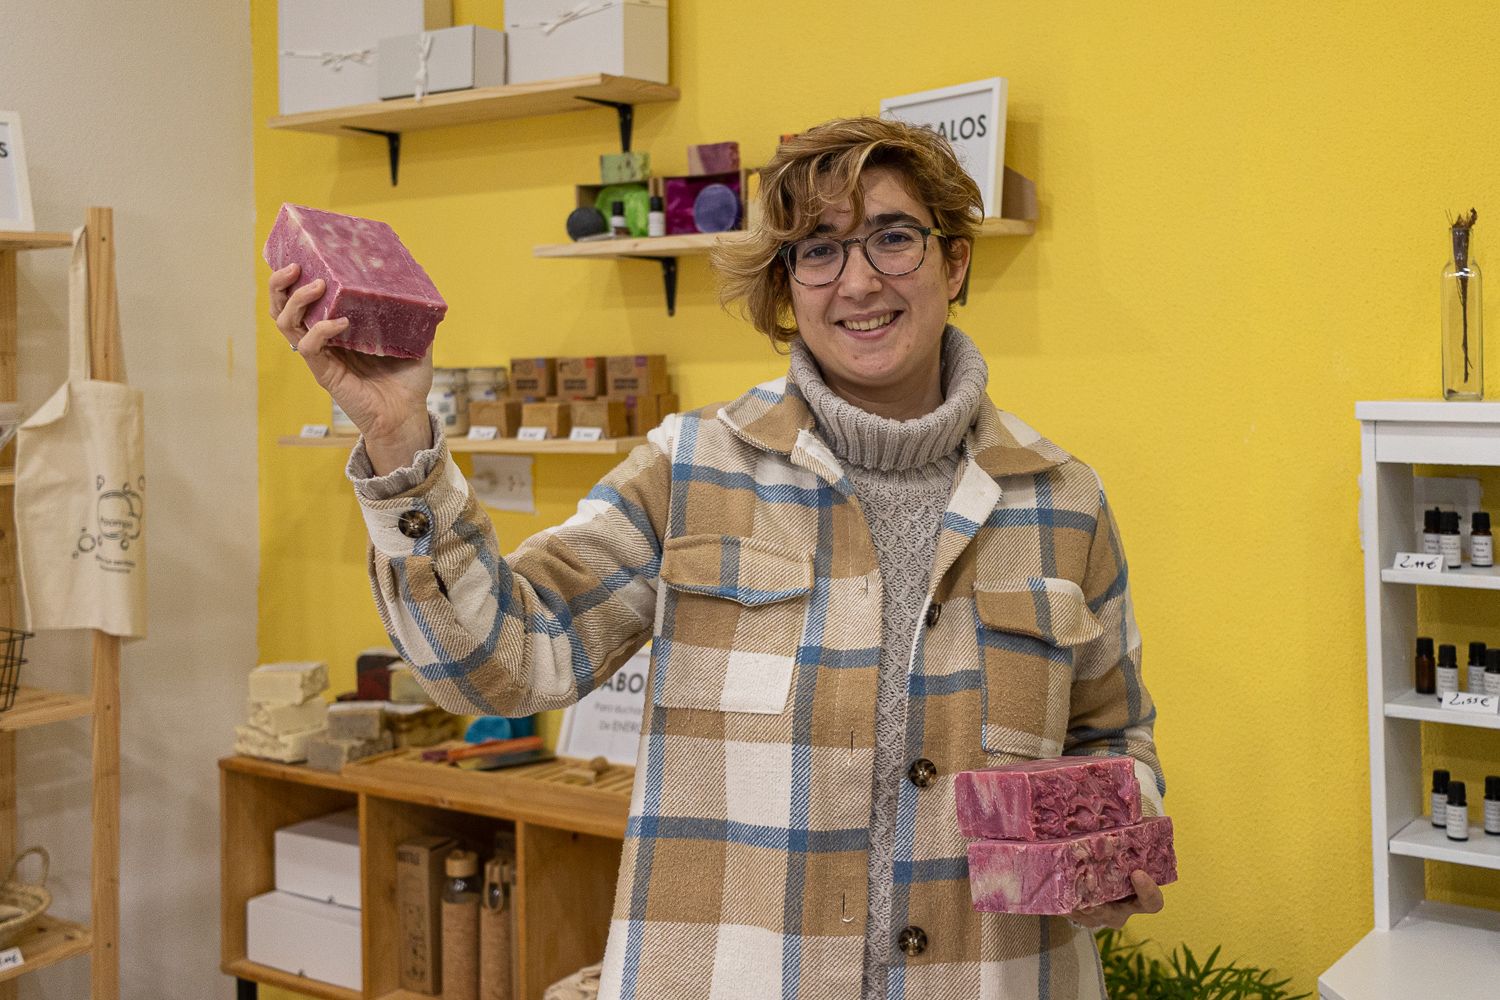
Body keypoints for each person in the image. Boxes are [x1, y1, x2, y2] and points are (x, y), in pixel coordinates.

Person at [270, 116, 1166, 1000]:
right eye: (817, 250)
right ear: (787, 287)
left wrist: (1114, 851)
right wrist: (397, 439)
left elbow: (1113, 741)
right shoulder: (691, 469)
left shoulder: (1062, 501)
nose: (858, 281)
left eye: (894, 238)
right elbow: (502, 664)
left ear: (954, 261)